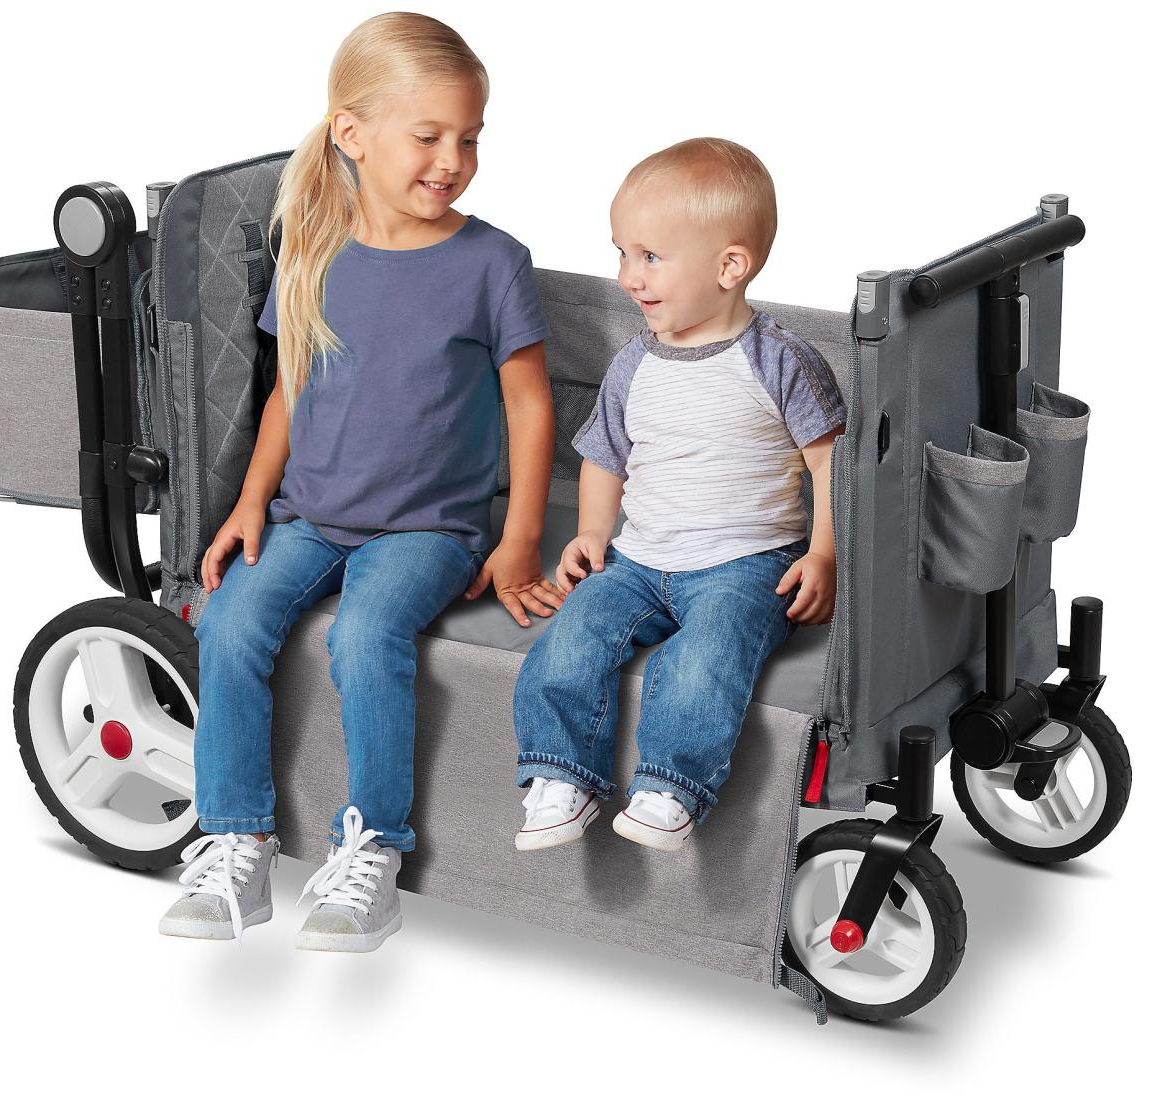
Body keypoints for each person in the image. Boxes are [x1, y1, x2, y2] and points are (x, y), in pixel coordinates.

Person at [159, 12, 563, 947]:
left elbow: (531, 406)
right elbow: (288, 396)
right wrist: (253, 499)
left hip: (428, 530)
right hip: (311, 514)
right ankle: (236, 841)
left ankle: (373, 847)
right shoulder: (314, 249)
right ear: (352, 132)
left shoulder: (492, 262)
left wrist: (516, 540)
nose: (453, 159)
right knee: (225, 621)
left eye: (470, 138)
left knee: (369, 635)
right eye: (429, 136)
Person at [512, 138, 844, 853]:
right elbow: (605, 454)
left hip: (745, 562)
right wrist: (594, 535)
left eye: (650, 257)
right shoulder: (635, 361)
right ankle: (561, 776)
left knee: (706, 656)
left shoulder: (779, 360)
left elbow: (831, 462)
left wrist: (823, 552)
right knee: (570, 638)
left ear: (731, 266)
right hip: (638, 559)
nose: (629, 276)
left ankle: (670, 782)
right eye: (622, 253)